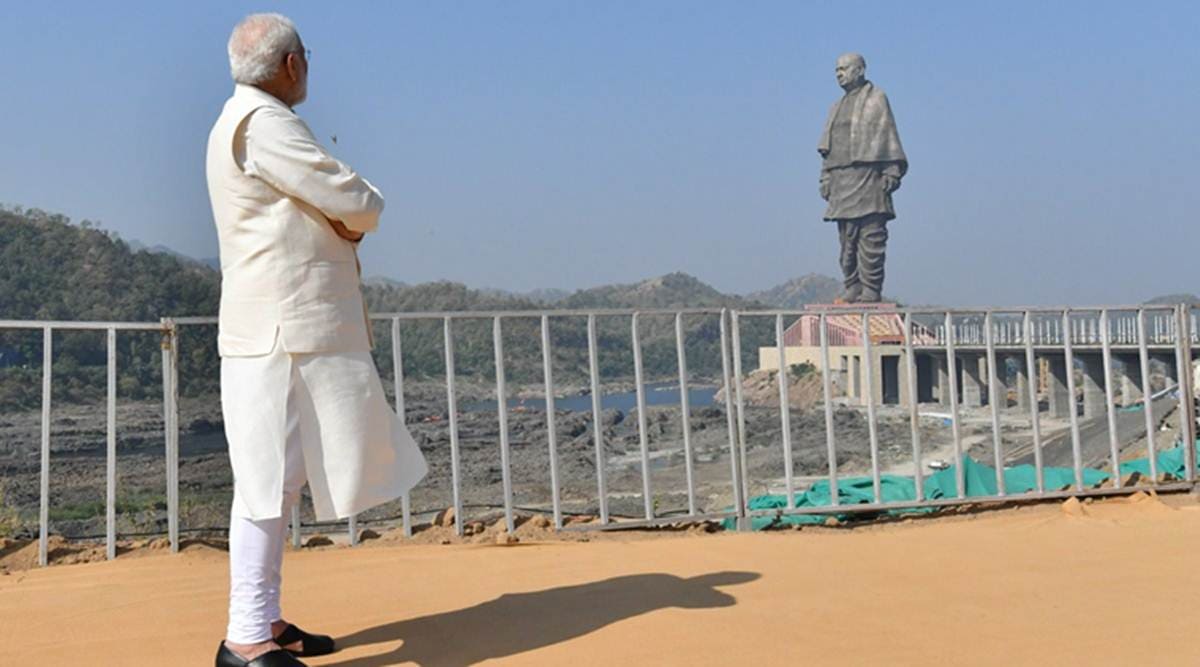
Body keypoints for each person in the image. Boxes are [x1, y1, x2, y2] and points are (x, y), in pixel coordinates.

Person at [206, 13, 427, 667]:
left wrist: (342, 218)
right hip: (281, 332)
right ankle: (245, 638)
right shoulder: (264, 124)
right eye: (307, 57)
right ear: (292, 65)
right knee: (265, 481)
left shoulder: (238, 120)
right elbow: (352, 197)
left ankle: (263, 622)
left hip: (279, 330)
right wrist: (356, 217)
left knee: (279, 481)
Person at [817, 52, 907, 303]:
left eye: (844, 68)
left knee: (871, 236)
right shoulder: (836, 106)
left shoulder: (876, 99)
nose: (839, 74)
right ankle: (852, 284)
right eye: (837, 70)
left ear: (860, 70)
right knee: (846, 242)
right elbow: (827, 149)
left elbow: (887, 134)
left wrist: (891, 170)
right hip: (841, 179)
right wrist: (825, 178)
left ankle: (871, 288)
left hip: (868, 177)